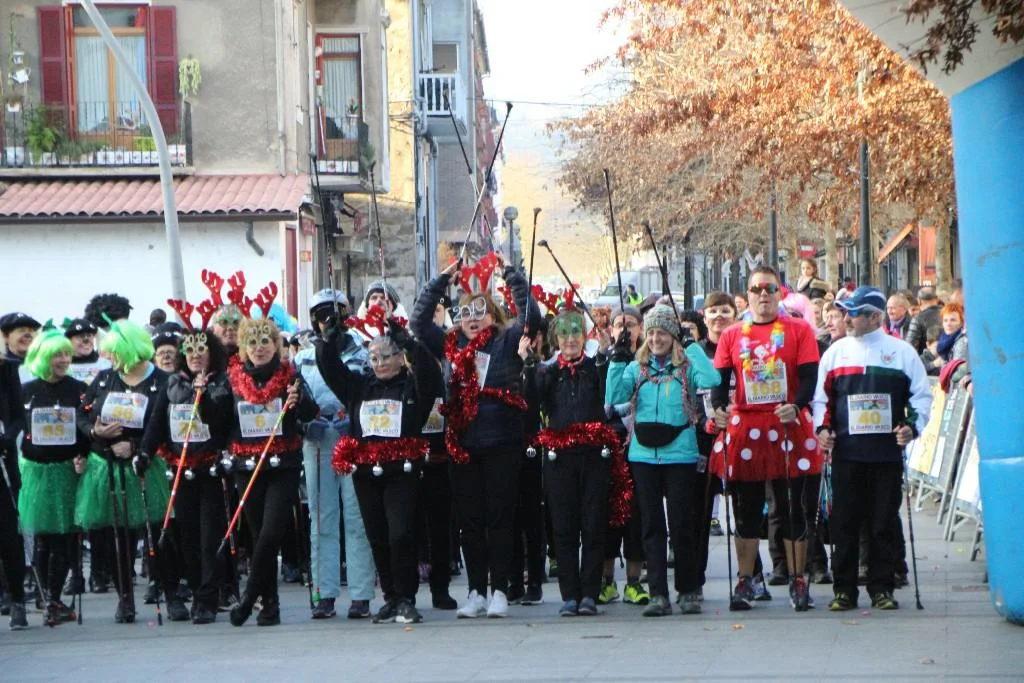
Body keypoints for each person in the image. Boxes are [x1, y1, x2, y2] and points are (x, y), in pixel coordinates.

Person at [410, 255, 539, 619]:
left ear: (493, 316)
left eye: (480, 312)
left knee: (499, 518)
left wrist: (512, 276)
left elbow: (530, 317)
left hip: (502, 442)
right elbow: (419, 322)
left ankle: (500, 590)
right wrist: (441, 280)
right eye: (466, 313)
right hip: (463, 444)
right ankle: (476, 591)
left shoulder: (506, 340)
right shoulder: (450, 346)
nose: (472, 319)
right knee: (470, 522)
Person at [317, 309, 443, 624]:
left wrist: (408, 341)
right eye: (374, 357)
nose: (380, 362)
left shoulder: (413, 386)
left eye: (387, 356)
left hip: (402, 471)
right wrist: (329, 341)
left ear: (400, 358)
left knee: (401, 534)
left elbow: (430, 372)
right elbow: (330, 369)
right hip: (366, 473)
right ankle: (391, 597)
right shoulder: (360, 386)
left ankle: (407, 597)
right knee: (378, 535)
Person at [709, 266, 822, 612]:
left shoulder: (799, 330)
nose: (763, 294)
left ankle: (798, 579)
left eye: (769, 288)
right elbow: (719, 383)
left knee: (790, 507)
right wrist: (719, 410)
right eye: (756, 288)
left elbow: (809, 377)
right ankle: (746, 579)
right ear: (748, 294)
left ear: (780, 293)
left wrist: (797, 405)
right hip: (747, 428)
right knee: (745, 510)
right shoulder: (732, 335)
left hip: (787, 426)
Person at [813, 286, 932, 611]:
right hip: (846, 453)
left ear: (875, 318)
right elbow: (821, 400)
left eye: (855, 314)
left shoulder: (902, 352)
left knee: (882, 523)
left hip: (885, 454)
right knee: (844, 524)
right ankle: (844, 590)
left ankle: (882, 588)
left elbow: (921, 396)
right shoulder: (835, 352)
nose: (847, 319)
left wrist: (911, 427)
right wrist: (822, 430)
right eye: (847, 313)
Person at [606, 305, 720, 616]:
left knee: (682, 524)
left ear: (673, 336)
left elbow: (712, 378)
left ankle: (687, 589)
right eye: (652, 333)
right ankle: (658, 594)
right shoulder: (636, 368)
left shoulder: (686, 367)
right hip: (643, 456)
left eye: (663, 333)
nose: (656, 339)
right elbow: (613, 398)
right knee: (651, 526)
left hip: (680, 454)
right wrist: (616, 360)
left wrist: (692, 346)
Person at [74, 319, 172, 624]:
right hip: (107, 466)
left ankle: (172, 592)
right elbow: (81, 415)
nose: (109, 357)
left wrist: (136, 446)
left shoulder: (162, 381)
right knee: (118, 538)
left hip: (145, 465)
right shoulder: (105, 379)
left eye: (114, 352)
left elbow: (165, 425)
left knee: (158, 532)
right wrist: (95, 432)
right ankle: (125, 597)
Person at [522, 304, 618, 617]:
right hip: (559, 458)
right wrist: (528, 364)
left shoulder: (595, 367)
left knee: (593, 524)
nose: (570, 339)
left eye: (576, 331)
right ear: (556, 339)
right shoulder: (548, 372)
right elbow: (531, 400)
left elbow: (608, 393)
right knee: (563, 527)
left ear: (585, 335)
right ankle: (569, 595)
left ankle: (589, 593)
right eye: (563, 334)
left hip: (593, 456)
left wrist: (604, 354)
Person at [139, 326, 235, 624]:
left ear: (212, 353)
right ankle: (195, 590)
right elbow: (156, 423)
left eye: (201, 350)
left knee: (209, 537)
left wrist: (203, 394)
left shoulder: (223, 383)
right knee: (188, 537)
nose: (195, 356)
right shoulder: (173, 384)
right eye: (190, 350)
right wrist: (144, 453)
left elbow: (225, 422)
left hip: (211, 470)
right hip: (181, 470)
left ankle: (208, 599)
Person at [227, 316, 317, 627]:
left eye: (265, 341)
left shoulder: (291, 376)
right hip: (247, 466)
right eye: (252, 343)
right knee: (257, 535)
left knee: (270, 533)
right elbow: (221, 419)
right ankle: (270, 604)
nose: (259, 348)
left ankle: (248, 598)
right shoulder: (234, 378)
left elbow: (310, 413)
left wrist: (298, 400)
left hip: (282, 465)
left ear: (276, 345)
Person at [295, 290, 377, 620]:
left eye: (335, 314)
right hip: (318, 439)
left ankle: (361, 593)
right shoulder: (303, 356)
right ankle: (324, 592)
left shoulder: (363, 351)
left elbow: (365, 389)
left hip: (351, 436)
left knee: (356, 516)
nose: (328, 321)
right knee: (321, 516)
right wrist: (305, 417)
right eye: (321, 315)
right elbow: (297, 396)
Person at [18, 327, 90, 627]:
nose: (63, 360)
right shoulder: (27, 391)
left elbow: (86, 430)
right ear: (42, 357)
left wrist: (83, 455)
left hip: (66, 471)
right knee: (43, 537)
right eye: (56, 355)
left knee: (63, 537)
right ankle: (46, 594)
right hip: (36, 471)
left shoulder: (78, 389)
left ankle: (54, 597)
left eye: (66, 354)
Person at [597, 306, 648, 607]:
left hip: (640, 445)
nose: (624, 330)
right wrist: (613, 358)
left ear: (640, 328)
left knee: (636, 515)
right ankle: (606, 581)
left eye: (630, 324)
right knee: (607, 515)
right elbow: (608, 398)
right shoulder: (605, 360)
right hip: (609, 444)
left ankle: (634, 581)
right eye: (619, 324)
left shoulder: (648, 359)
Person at [65, 318, 112, 387]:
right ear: (69, 341)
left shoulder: (107, 365)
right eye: (80, 336)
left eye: (89, 335)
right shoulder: (63, 366)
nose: (86, 340)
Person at [937, 302, 971, 390]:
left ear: (961, 322)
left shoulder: (962, 341)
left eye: (953, 320)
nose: (948, 324)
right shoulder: (944, 341)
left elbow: (958, 370)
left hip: (961, 389)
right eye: (945, 320)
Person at [1, 312, 41, 384]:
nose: (28, 335)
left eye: (32, 330)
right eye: (21, 330)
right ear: (5, 337)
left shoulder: (46, 365)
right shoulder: (3, 367)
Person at [905, 287, 941, 354]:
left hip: (926, 358)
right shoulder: (948, 315)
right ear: (937, 299)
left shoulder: (917, 319)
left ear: (919, 301)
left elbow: (909, 348)